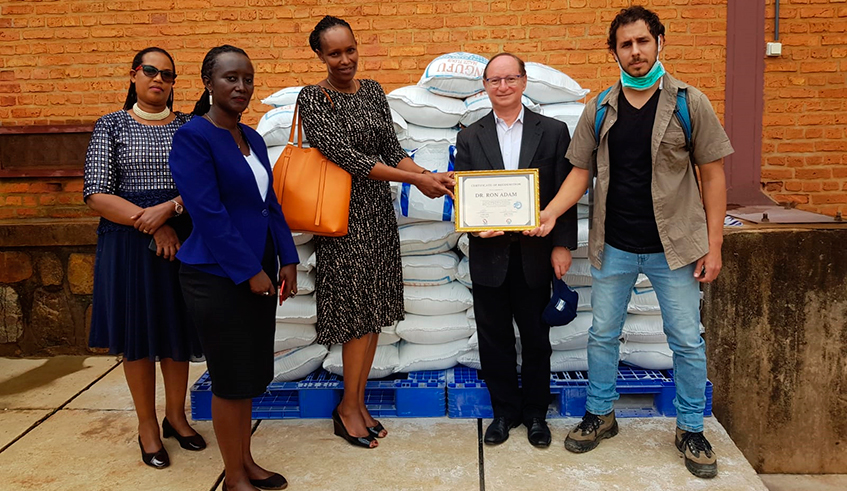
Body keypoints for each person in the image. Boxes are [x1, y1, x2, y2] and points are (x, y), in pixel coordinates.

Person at [532, 6, 733, 479]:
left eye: (643, 41)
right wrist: (550, 212)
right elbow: (580, 173)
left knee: (685, 338)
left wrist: (716, 243)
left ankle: (689, 427)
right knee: (603, 334)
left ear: (660, 42)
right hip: (616, 243)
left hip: (676, 246)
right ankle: (601, 414)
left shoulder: (689, 102)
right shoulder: (600, 107)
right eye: (626, 44)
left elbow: (713, 176)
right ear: (614, 51)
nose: (636, 51)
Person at [297, 16, 455, 449]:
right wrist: (414, 181)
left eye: (350, 49)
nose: (345, 60)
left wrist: (428, 174)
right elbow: (347, 158)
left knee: (374, 313)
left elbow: (390, 149)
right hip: (342, 219)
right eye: (334, 53)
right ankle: (347, 407)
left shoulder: (372, 91)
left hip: (377, 218)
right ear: (319, 55)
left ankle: (357, 401)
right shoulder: (314, 99)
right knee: (355, 316)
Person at [169, 45, 298, 491]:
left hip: (257, 268)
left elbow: (270, 205)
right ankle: (233, 477)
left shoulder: (254, 137)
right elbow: (208, 213)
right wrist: (249, 271)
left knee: (247, 374)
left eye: (247, 78)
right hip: (216, 274)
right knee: (228, 377)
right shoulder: (193, 136)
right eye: (230, 78)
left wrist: (288, 258)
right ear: (208, 83)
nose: (241, 87)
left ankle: (245, 461)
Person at [83, 47, 205, 470]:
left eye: (167, 75)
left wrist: (169, 210)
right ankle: (147, 426)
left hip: (183, 238)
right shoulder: (111, 126)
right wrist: (151, 222)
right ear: (133, 75)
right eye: (150, 71)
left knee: (177, 331)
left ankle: (177, 416)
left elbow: (206, 181)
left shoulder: (190, 127)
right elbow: (96, 193)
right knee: (138, 338)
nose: (158, 79)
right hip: (128, 242)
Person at [454, 53, 578, 448]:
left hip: (535, 256)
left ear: (524, 82)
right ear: (485, 86)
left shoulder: (554, 131)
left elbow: (566, 192)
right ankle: (504, 413)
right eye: (494, 80)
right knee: (494, 340)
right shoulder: (470, 136)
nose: (502, 87)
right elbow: (466, 194)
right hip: (489, 257)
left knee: (537, 339)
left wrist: (562, 245)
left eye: (510, 79)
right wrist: (475, 229)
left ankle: (536, 415)